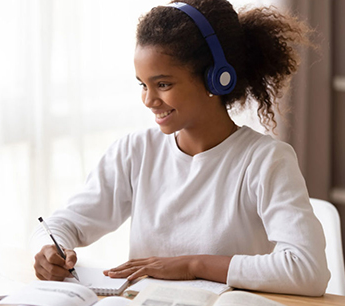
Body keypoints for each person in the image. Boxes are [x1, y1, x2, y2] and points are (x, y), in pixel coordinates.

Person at [31, 0, 330, 296]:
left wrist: (193, 265)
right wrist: (49, 248)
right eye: (143, 85)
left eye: (162, 84)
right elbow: (60, 223)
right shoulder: (136, 152)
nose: (149, 100)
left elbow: (308, 270)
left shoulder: (265, 161)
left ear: (217, 78)